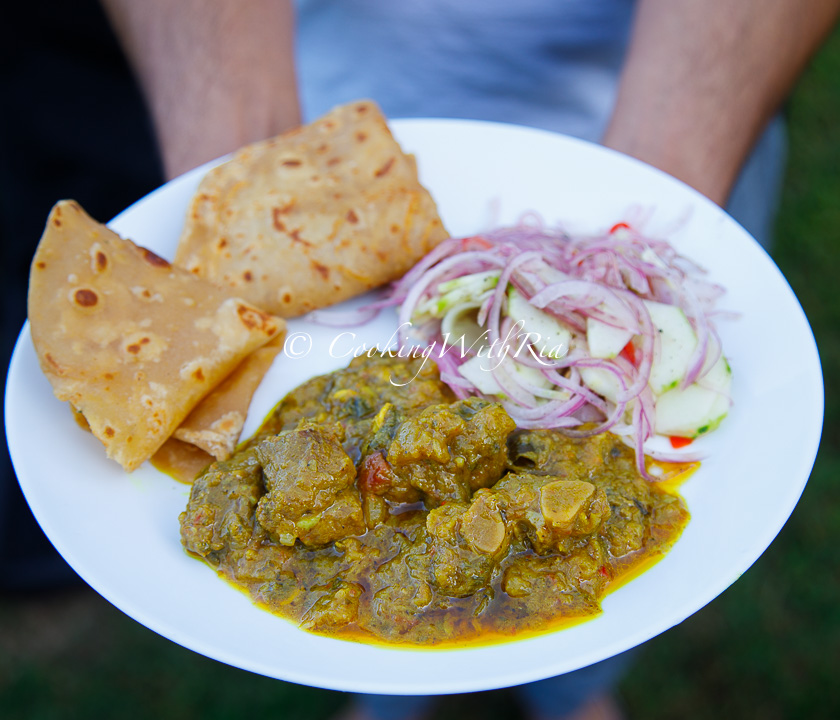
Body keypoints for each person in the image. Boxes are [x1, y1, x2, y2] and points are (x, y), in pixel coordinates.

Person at [8, 1, 839, 718]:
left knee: (617, 623)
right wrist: (237, 170)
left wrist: (656, 201)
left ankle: (572, 694)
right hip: (320, 106)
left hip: (681, 110)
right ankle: (386, 700)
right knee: (370, 657)